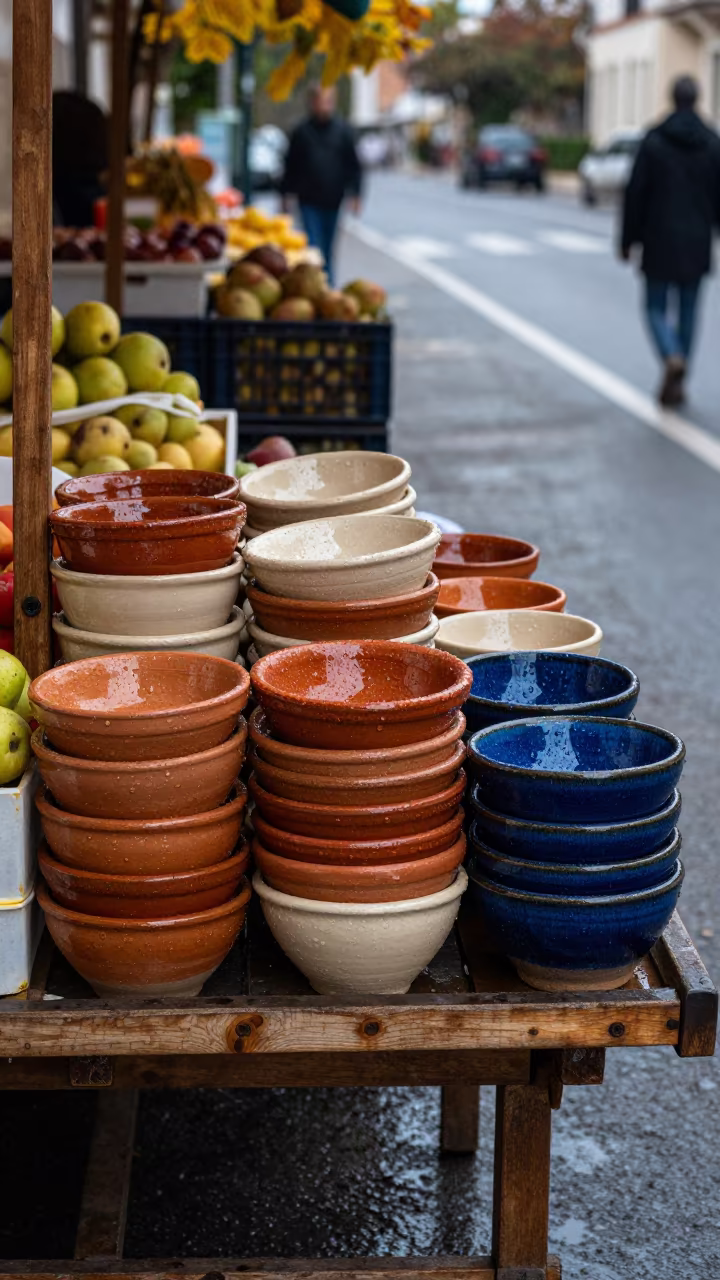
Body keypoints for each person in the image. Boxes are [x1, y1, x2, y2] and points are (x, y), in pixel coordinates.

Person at [621, 75, 720, 407]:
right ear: (697, 99)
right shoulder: (712, 142)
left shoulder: (653, 141)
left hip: (658, 238)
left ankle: (670, 353)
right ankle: (681, 371)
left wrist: (627, 239)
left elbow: (635, 194)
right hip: (697, 240)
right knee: (689, 310)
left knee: (654, 306)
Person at [280, 85, 362, 283]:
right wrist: (285, 194)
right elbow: (290, 165)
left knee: (328, 247)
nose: (323, 105)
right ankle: (316, 284)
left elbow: (354, 165)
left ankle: (328, 285)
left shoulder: (343, 131)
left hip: (334, 198)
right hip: (308, 199)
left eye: (327, 100)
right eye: (319, 101)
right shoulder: (301, 132)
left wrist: (356, 194)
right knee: (313, 245)